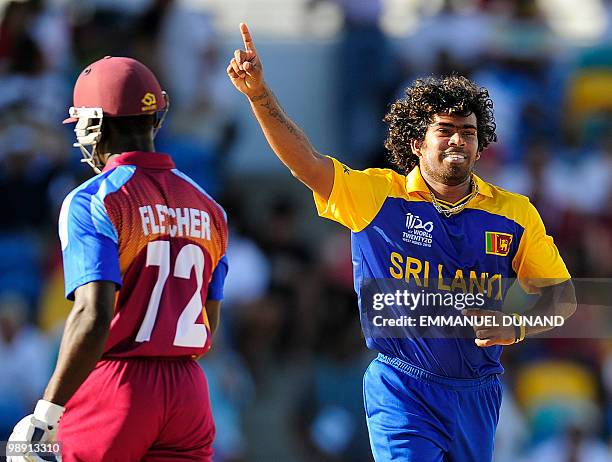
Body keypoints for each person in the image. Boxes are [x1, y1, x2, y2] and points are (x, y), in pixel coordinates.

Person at [226, 23, 576, 462]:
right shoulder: (377, 196)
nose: (458, 140)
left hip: (478, 393)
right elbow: (306, 164)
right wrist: (259, 95)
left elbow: (561, 296)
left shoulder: (514, 212)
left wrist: (516, 325)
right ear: (416, 143)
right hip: (402, 382)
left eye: (468, 133)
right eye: (445, 130)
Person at [8, 56, 228, 461]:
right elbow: (207, 322)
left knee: (25, 453)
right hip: (189, 392)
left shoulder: (93, 200)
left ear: (93, 123)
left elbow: (92, 316)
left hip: (119, 386)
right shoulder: (209, 206)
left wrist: (46, 412)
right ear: (155, 118)